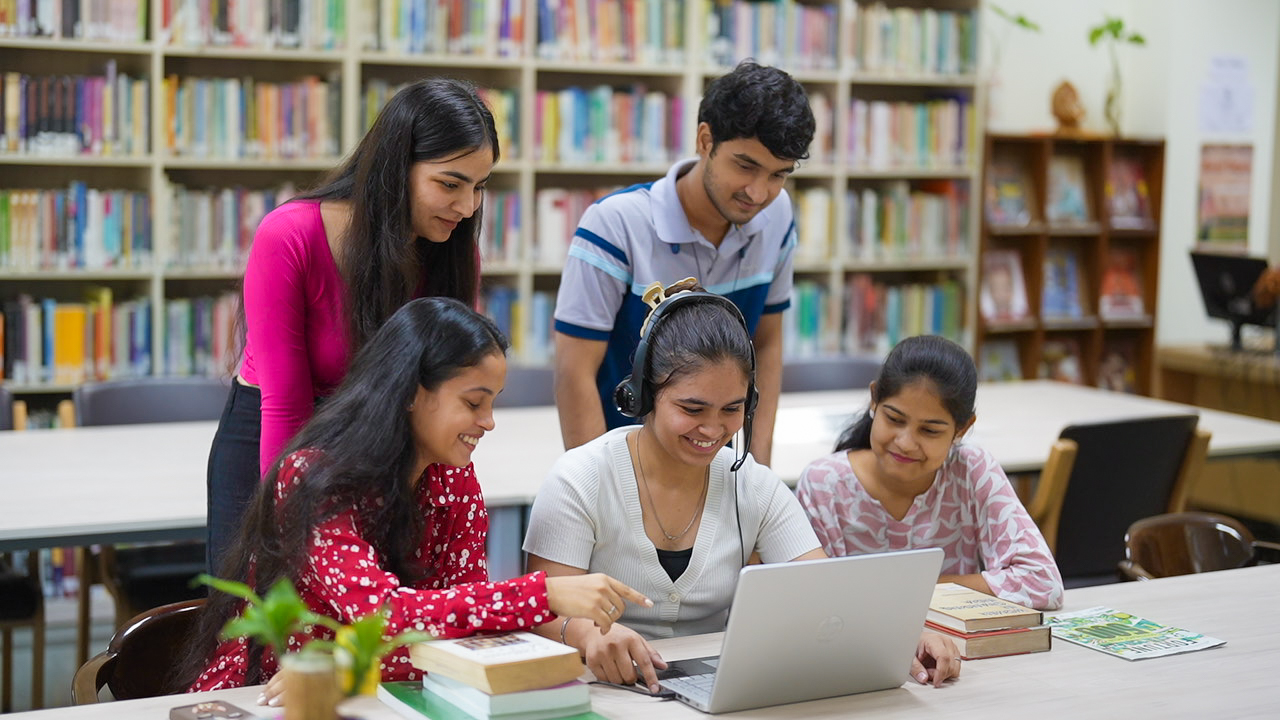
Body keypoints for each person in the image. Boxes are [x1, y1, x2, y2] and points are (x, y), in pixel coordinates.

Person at [178, 298, 651, 701]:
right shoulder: (315, 480)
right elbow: (387, 616)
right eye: (473, 402)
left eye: (493, 403)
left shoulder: (454, 478)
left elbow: (465, 627)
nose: (488, 422)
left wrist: (353, 667)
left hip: (378, 694)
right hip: (267, 698)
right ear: (409, 392)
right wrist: (541, 593)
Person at [524, 283, 961, 695]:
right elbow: (542, 609)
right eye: (692, 408)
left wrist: (902, 632)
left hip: (720, 692)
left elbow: (824, 590)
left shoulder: (753, 485)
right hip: (598, 690)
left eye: (732, 409)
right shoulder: (580, 478)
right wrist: (587, 633)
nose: (713, 429)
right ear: (643, 394)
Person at [206, 78, 499, 571]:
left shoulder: (452, 252)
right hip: (272, 444)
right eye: (450, 184)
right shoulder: (289, 235)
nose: (467, 207)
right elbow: (285, 404)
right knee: (268, 631)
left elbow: (441, 393)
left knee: (371, 636)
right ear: (394, 167)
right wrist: (292, 531)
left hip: (382, 451)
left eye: (479, 187)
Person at [552, 60, 817, 466]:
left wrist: (756, 472)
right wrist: (597, 492)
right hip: (621, 459)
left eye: (779, 175)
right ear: (705, 140)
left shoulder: (778, 216)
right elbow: (574, 373)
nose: (759, 192)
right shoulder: (615, 225)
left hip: (715, 462)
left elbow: (766, 345)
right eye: (745, 166)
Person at [796, 335, 1064, 611]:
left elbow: (1044, 583)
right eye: (894, 419)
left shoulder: (971, 470)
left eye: (930, 431)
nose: (906, 442)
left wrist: (913, 589)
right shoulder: (824, 485)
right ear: (874, 400)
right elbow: (819, 601)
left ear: (962, 429)